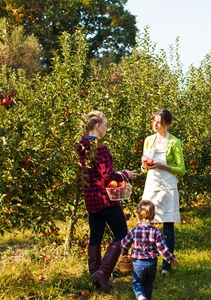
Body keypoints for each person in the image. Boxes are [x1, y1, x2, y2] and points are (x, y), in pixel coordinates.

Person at [76, 110, 138, 293]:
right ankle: (102, 273)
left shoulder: (81, 145)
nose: (106, 129)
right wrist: (125, 174)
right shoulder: (99, 147)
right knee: (122, 234)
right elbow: (107, 176)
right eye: (105, 125)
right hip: (105, 198)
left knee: (95, 236)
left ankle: (94, 275)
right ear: (98, 126)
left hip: (91, 198)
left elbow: (92, 173)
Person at [140, 109, 185, 277]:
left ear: (167, 123)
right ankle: (148, 262)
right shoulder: (148, 140)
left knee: (168, 228)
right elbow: (144, 168)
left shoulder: (174, 142)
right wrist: (145, 165)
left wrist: (162, 166)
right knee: (147, 224)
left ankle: (166, 266)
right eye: (154, 121)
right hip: (152, 184)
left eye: (159, 122)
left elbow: (181, 170)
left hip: (167, 186)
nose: (155, 124)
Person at [121, 200, 177, 300]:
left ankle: (140, 297)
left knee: (137, 283)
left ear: (138, 214)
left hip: (138, 263)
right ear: (153, 214)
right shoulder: (156, 231)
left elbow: (124, 243)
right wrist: (171, 259)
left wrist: (124, 253)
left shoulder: (134, 231)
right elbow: (163, 249)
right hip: (152, 263)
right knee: (149, 284)